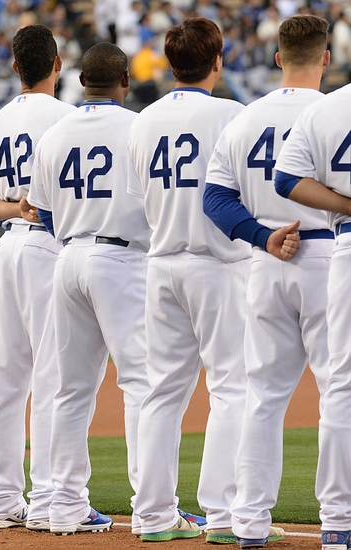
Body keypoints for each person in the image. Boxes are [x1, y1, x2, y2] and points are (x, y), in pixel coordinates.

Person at [203, 14, 332, 547]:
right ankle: (339, 521)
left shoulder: (244, 118)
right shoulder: (335, 114)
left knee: (262, 395)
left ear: (278, 57)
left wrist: (261, 237)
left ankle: (249, 523)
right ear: (326, 57)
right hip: (331, 258)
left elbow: (214, 199)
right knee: (339, 394)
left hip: (266, 265)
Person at [126, 18, 248, 542]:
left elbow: (138, 198)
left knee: (162, 392)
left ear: (171, 64)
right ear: (217, 61)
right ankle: (221, 516)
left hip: (162, 262)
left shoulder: (143, 120)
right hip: (219, 263)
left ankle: (152, 515)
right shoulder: (233, 115)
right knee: (232, 389)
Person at [27, 41, 149, 537]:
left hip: (68, 255)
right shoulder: (138, 127)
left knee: (68, 389)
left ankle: (64, 505)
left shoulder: (56, 132)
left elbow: (45, 210)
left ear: (81, 81)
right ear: (125, 81)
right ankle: (153, 507)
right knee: (142, 384)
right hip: (122, 257)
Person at [0, 24, 75, 532]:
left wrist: (17, 207)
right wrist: (31, 210)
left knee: (5, 380)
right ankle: (51, 497)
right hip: (48, 246)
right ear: (58, 64)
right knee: (54, 376)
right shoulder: (68, 118)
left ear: (14, 68)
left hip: (6, 245)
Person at [273, 66, 351, 550]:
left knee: (343, 382)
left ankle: (338, 520)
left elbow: (286, 179)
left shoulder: (325, 108)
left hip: (346, 247)